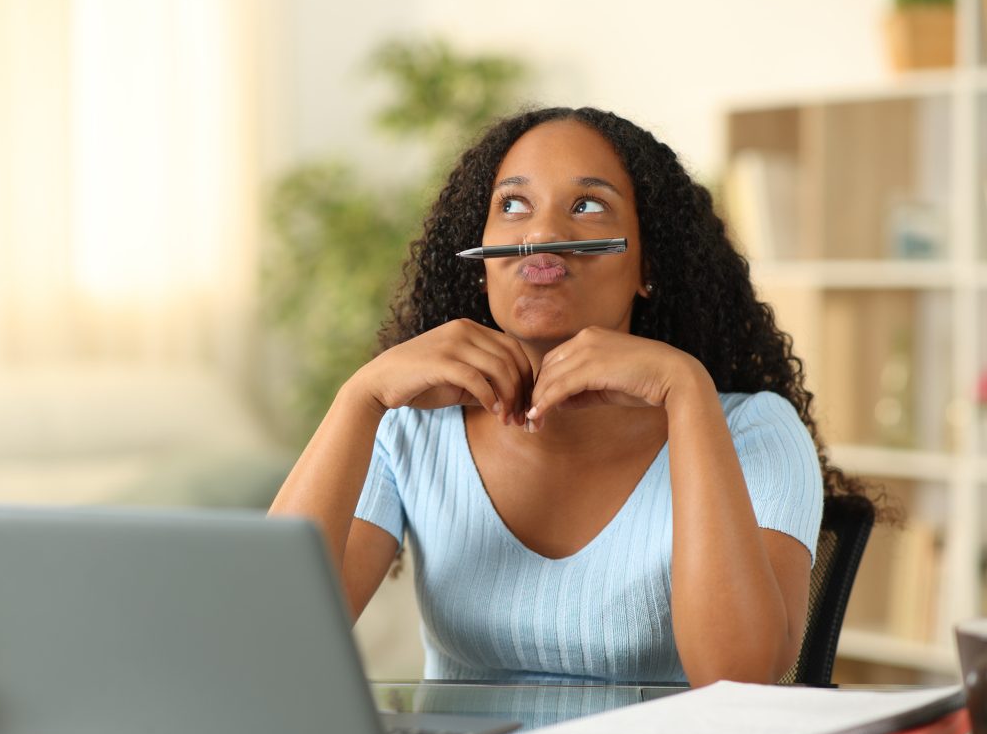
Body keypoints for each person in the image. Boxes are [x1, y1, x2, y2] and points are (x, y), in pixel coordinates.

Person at [269, 105, 868, 687]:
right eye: (513, 205)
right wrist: (359, 397)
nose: (542, 234)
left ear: (647, 266)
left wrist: (687, 394)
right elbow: (270, 638)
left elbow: (737, 675)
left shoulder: (752, 430)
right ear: (481, 260)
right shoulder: (410, 425)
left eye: (587, 206)